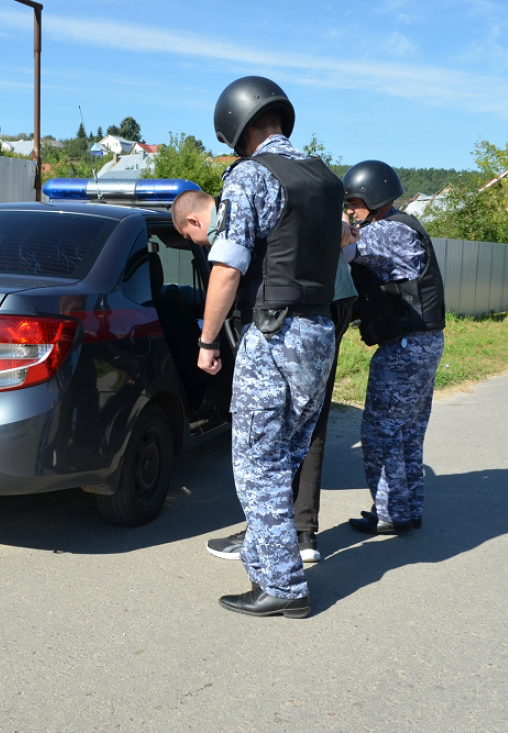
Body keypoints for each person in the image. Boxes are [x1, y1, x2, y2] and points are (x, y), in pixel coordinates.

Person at [170, 76, 344, 619]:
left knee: (255, 461)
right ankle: (275, 556)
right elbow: (342, 240)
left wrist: (205, 340)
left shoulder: (250, 177)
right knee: (286, 453)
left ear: (236, 126)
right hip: (320, 333)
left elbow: (226, 268)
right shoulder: (325, 178)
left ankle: (282, 586)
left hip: (273, 332)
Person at [177, 197, 357, 564]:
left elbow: (226, 274)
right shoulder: (279, 200)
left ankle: (267, 536)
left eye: (192, 238)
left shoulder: (232, 214)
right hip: (328, 306)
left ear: (195, 220)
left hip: (290, 313)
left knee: (267, 428)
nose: (202, 245)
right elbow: (342, 232)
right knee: (309, 419)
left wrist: (207, 340)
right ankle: (302, 533)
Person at [339, 160, 446, 535]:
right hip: (423, 342)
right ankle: (405, 508)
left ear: (375, 198)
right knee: (407, 433)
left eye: (353, 202)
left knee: (381, 432)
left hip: (406, 347)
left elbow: (345, 246)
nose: (350, 210)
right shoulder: (403, 227)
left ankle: (390, 513)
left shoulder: (388, 231)